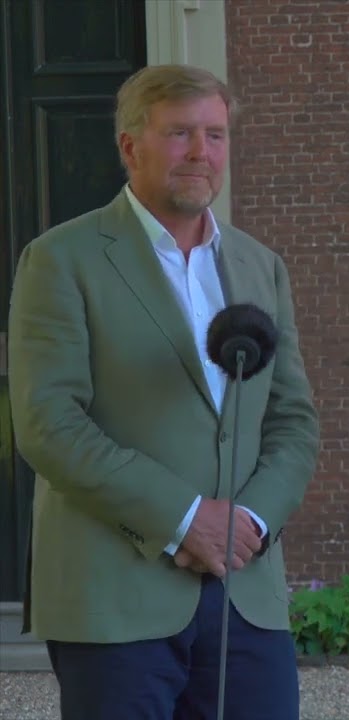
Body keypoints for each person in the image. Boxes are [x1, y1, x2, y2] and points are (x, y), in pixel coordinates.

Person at [8, 64, 320, 719]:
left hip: (245, 592)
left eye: (214, 134)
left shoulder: (260, 266)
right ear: (130, 147)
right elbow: (48, 422)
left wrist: (248, 523)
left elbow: (293, 419)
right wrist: (183, 518)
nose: (201, 153)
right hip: (114, 591)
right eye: (179, 134)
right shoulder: (61, 259)